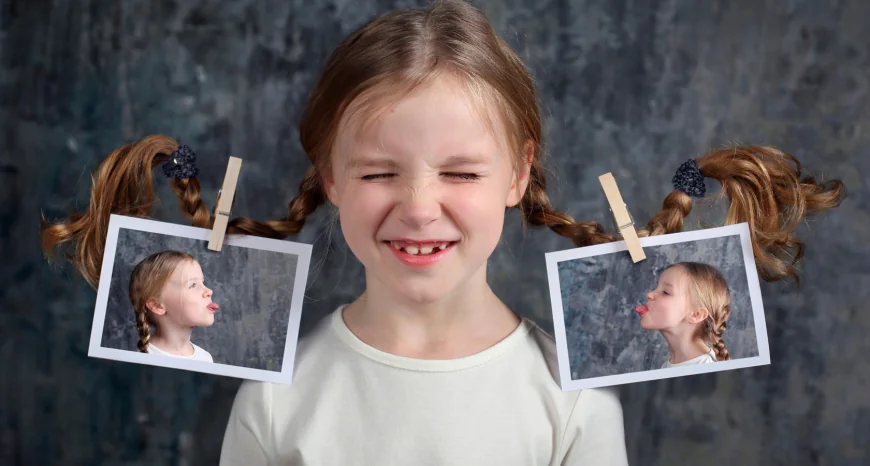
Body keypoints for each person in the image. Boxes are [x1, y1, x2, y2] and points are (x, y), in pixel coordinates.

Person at [39, 0, 845, 464]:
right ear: (326, 175)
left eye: (459, 173)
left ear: (518, 175)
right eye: (379, 171)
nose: (419, 207)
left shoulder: (573, 403)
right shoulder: (276, 401)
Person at [635, 262, 731, 368]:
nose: (649, 294)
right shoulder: (667, 367)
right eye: (657, 287)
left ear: (696, 314)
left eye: (665, 292)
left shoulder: (707, 370)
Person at [128, 250, 218, 362]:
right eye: (193, 285)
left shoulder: (205, 358)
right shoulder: (141, 361)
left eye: (202, 282)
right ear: (157, 306)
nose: (209, 291)